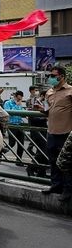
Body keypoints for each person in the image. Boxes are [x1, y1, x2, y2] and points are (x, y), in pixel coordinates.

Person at [41, 65, 72, 203]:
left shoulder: (70, 91)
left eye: (54, 76)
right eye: (50, 75)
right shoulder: (49, 92)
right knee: (53, 161)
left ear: (62, 76)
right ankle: (56, 185)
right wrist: (42, 110)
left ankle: (68, 190)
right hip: (51, 131)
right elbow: (49, 111)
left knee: (66, 163)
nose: (51, 78)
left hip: (66, 133)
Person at [3, 91, 26, 165]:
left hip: (20, 125)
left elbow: (22, 113)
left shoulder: (19, 103)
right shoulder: (7, 103)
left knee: (21, 143)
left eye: (21, 98)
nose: (20, 99)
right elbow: (8, 113)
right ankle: (1, 153)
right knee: (11, 143)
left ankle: (19, 160)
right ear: (16, 96)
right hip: (12, 125)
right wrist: (16, 105)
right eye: (19, 98)